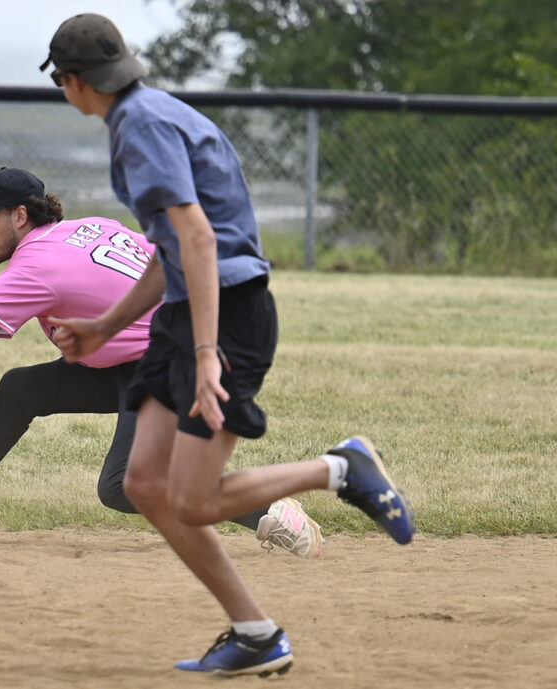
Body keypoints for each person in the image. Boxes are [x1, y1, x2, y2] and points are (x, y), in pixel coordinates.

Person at [40, 13, 415, 678]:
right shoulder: (151, 113)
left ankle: (340, 468)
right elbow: (173, 250)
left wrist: (208, 351)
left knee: (193, 499)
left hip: (228, 315)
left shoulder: (140, 128)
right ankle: (256, 632)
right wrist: (105, 327)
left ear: (72, 81)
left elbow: (200, 240)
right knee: (144, 484)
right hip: (185, 314)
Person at [0, 166, 325, 558]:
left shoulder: (32, 267)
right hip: (160, 354)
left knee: (122, 486)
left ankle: (264, 509)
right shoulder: (93, 227)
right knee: (21, 389)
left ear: (20, 216)